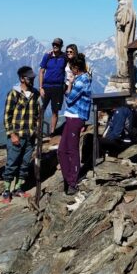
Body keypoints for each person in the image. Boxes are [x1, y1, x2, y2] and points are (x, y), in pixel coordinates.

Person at [2, 65, 42, 203]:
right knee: (12, 163)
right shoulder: (13, 94)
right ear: (22, 79)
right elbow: (7, 115)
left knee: (25, 163)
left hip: (30, 135)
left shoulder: (35, 94)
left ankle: (18, 188)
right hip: (17, 135)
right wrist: (12, 134)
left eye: (33, 77)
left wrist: (36, 130)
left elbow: (36, 114)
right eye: (29, 77)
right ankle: (6, 190)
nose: (32, 79)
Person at [58, 53, 92, 195]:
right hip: (72, 117)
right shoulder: (82, 78)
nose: (71, 71)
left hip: (76, 117)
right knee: (61, 150)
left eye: (72, 68)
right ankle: (69, 177)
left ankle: (73, 181)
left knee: (71, 150)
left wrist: (70, 83)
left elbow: (70, 98)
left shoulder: (81, 80)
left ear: (77, 68)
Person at [39, 38, 68, 136]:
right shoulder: (47, 56)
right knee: (40, 110)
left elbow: (72, 63)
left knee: (55, 111)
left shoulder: (64, 57)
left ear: (61, 46)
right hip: (46, 87)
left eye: (57, 45)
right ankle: (38, 132)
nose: (55, 46)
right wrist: (41, 87)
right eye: (54, 44)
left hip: (58, 87)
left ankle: (52, 132)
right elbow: (41, 72)